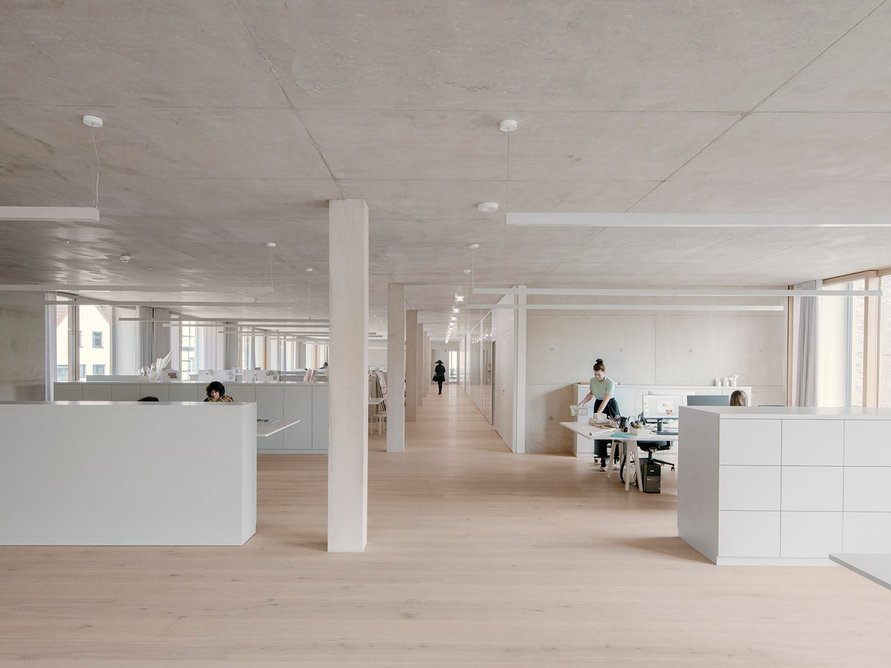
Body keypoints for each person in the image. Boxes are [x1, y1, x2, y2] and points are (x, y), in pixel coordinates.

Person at [578, 358, 621, 471]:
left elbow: (606, 399)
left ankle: (616, 460)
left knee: (614, 432)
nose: (597, 376)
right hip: (598, 403)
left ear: (604, 372)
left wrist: (598, 413)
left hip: (610, 405)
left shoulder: (610, 382)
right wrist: (581, 403)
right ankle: (603, 461)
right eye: (595, 374)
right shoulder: (593, 380)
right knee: (599, 432)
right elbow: (591, 393)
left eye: (599, 374)